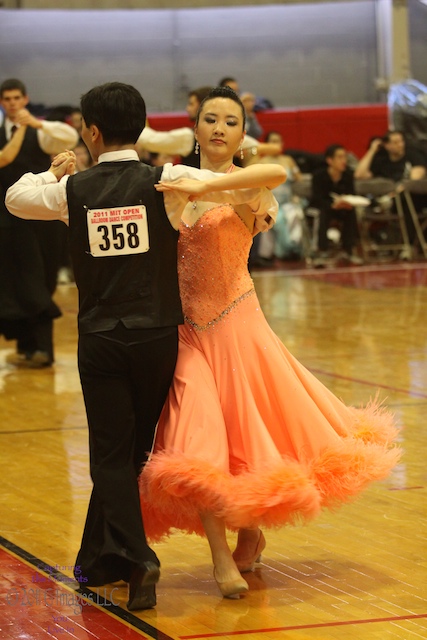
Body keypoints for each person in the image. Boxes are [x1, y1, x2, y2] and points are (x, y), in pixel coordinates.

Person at [6, 82, 287, 610]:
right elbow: (254, 182)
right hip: (161, 338)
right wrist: (242, 173)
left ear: (90, 132)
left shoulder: (75, 189)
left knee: (113, 456)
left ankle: (133, 557)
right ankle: (106, 556)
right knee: (135, 452)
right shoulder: (169, 182)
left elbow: (16, 198)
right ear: (144, 129)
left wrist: (55, 171)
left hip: (104, 338)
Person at [137, 87, 401, 600]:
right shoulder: (170, 183)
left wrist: (201, 184)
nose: (217, 128)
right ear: (194, 128)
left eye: (229, 122)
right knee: (201, 443)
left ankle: (250, 528)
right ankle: (219, 557)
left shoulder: (252, 187)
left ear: (242, 132)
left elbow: (268, 175)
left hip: (239, 326)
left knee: (248, 437)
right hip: (186, 333)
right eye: (208, 119)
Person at [0, 78, 79, 367]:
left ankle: (43, 348)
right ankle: (28, 345)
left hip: (43, 220)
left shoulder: (41, 132)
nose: (12, 103)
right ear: (2, 102)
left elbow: (69, 136)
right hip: (8, 222)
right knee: (16, 284)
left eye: (16, 97)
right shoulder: (4, 134)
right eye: (7, 98)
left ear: (25, 99)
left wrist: (35, 123)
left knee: (41, 281)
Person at [354, 131, 427, 254]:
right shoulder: (381, 161)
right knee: (401, 203)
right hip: (390, 202)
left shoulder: (413, 155)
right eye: (395, 142)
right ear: (387, 145)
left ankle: (409, 245)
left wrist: (395, 193)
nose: (400, 145)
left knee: (407, 201)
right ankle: (407, 245)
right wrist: (372, 150)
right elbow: (359, 175)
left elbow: (414, 180)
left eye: (401, 141)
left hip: (413, 199)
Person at [311, 144, 363, 266]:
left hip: (342, 207)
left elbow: (352, 194)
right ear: (330, 160)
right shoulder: (318, 175)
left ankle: (348, 250)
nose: (344, 161)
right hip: (324, 207)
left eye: (345, 157)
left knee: (351, 212)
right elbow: (316, 198)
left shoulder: (348, 175)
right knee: (323, 214)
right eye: (340, 157)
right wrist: (332, 205)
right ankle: (322, 251)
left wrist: (346, 202)